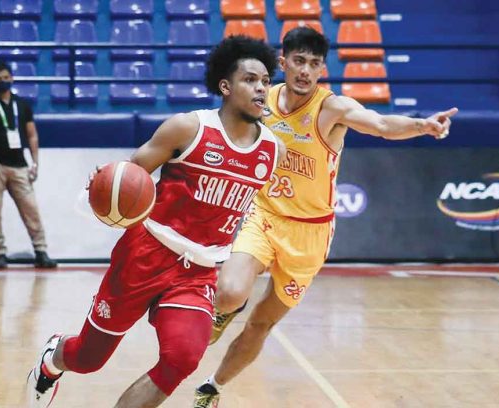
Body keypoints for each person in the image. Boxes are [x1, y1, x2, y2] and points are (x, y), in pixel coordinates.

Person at [193, 27, 458, 407]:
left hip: (311, 234)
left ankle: (213, 387)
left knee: (261, 324)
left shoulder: (332, 107)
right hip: (265, 215)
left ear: (322, 70)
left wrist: (421, 126)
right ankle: (226, 309)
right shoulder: (260, 100)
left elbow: (381, 125)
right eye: (298, 61)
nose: (305, 70)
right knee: (229, 292)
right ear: (283, 62)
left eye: (314, 64)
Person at [25, 36, 285, 408]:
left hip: (198, 272)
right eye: (250, 79)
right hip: (145, 254)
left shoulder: (272, 150)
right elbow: (131, 176)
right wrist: (106, 183)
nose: (261, 87)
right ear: (225, 87)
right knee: (88, 358)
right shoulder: (188, 129)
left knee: (182, 359)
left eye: (265, 81)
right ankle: (54, 357)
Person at [0, 61, 57, 269]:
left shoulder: (22, 105)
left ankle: (41, 250)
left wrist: (35, 162)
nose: (3, 82)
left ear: (12, 78)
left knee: (31, 209)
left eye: (6, 78)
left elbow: (32, 135)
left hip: (20, 165)